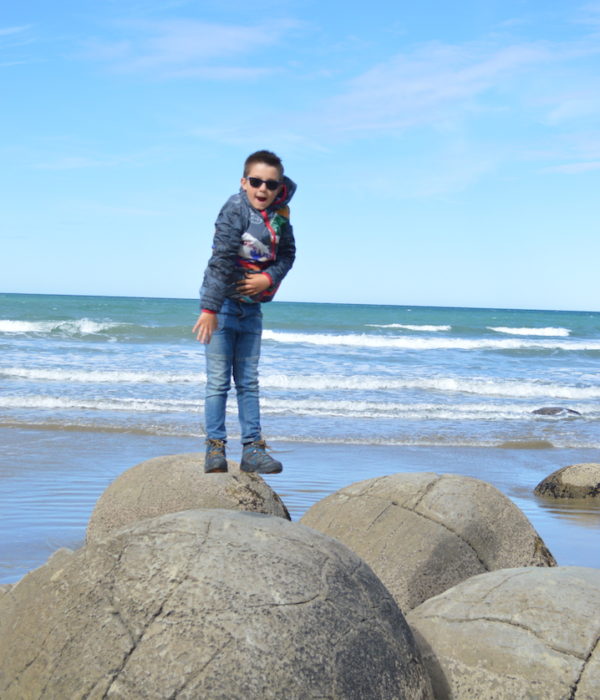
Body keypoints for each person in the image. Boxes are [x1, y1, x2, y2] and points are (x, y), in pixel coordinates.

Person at [193, 150, 296, 474]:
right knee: (218, 383)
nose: (262, 189)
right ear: (244, 182)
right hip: (222, 307)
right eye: (256, 182)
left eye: (270, 184)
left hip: (252, 311)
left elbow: (288, 255)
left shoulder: (280, 217)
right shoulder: (234, 209)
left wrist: (269, 277)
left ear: (279, 187)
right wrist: (209, 309)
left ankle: (253, 449)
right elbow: (220, 259)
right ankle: (215, 448)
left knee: (249, 383)